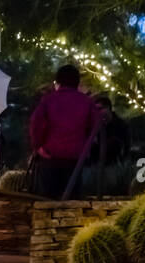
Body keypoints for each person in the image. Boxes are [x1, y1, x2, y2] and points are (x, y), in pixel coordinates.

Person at [28, 64, 102, 199]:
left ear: (58, 81)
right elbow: (95, 127)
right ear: (77, 82)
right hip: (76, 157)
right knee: (73, 200)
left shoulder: (48, 100)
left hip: (50, 155)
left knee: (47, 199)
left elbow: (36, 124)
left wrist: (38, 147)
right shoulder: (87, 102)